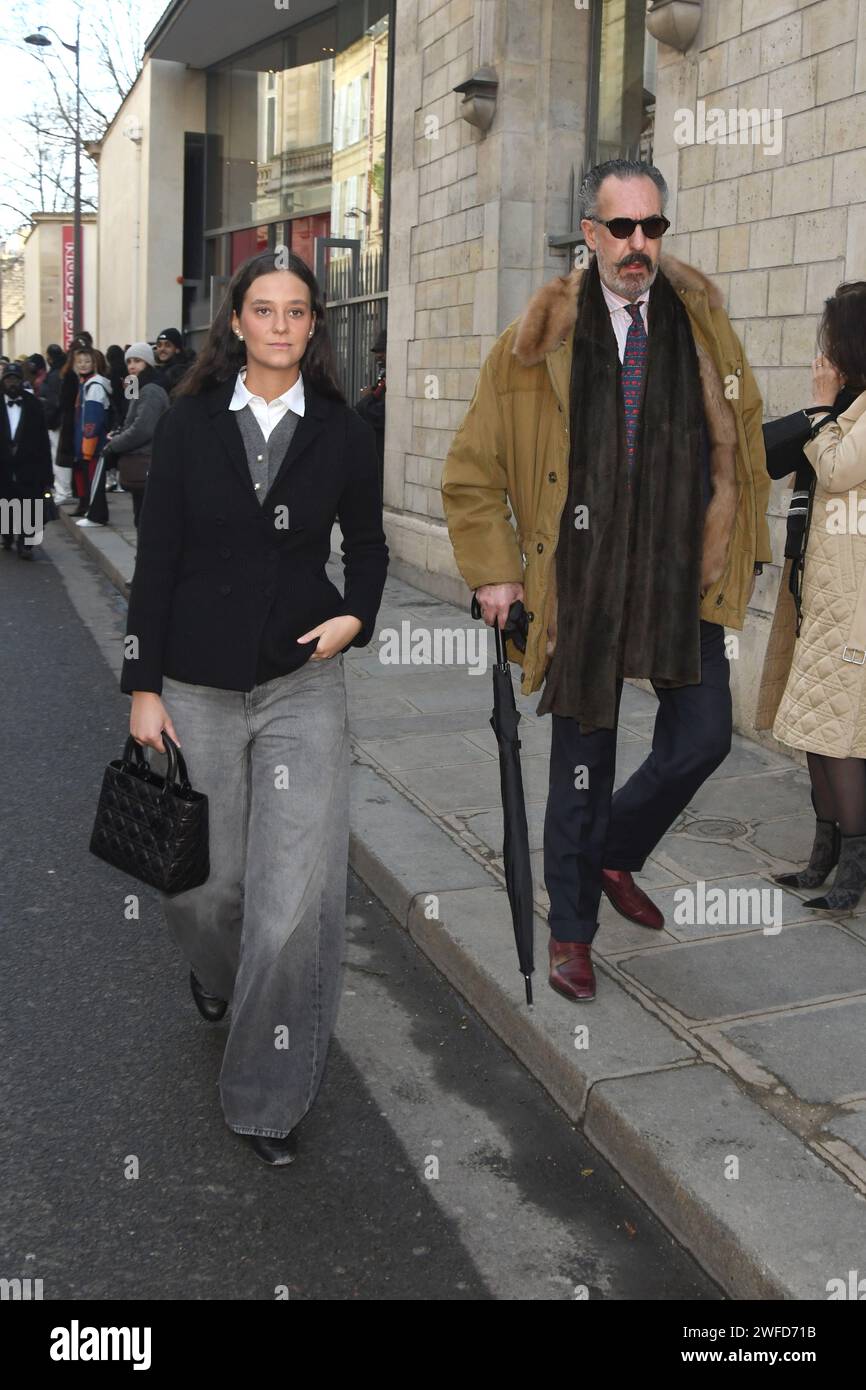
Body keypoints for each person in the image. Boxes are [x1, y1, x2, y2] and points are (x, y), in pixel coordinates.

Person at [442, 158, 770, 1003]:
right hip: (577, 578)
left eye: (652, 228)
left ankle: (616, 849)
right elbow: (473, 474)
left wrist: (745, 546)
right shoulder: (535, 342)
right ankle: (573, 931)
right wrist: (498, 576)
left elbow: (747, 442)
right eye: (621, 228)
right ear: (589, 234)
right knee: (581, 765)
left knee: (704, 739)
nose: (638, 245)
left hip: (675, 574)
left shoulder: (702, 328)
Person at [121, 249, 388, 1164]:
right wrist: (142, 686)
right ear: (235, 321)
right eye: (263, 309)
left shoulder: (345, 433)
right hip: (193, 687)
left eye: (297, 311)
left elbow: (372, 546)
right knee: (202, 892)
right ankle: (217, 977)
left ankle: (266, 1098)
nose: (280, 324)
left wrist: (357, 615)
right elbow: (155, 561)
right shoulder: (191, 424)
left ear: (314, 327)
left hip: (301, 684)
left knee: (291, 905)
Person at [771, 283, 866, 912]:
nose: (824, 347)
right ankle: (824, 853)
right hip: (818, 589)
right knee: (812, 726)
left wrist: (818, 406)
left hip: (852, 598)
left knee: (838, 733)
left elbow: (837, 470)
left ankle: (855, 868)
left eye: (832, 334)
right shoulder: (850, 403)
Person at [98, 343, 168, 528]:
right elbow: (129, 416)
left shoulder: (151, 389)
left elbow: (142, 429)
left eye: (137, 361)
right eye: (129, 361)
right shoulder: (137, 385)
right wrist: (119, 431)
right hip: (142, 460)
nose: (132, 366)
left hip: (148, 460)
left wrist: (115, 444)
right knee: (141, 517)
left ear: (148, 363)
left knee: (147, 520)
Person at [0, 361, 53, 559]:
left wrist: (47, 476)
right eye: (8, 379)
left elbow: (43, 441)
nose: (12, 383)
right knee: (5, 501)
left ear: (21, 381)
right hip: (3, 465)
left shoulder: (33, 404)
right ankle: (7, 534)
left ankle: (26, 542)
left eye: (15, 379)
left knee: (29, 504)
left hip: (29, 464)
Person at [71, 346, 112, 526]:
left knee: (95, 480)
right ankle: (91, 511)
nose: (83, 365)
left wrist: (87, 444)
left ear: (94, 363)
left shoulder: (94, 386)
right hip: (87, 442)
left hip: (93, 443)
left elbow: (93, 418)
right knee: (90, 478)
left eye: (87, 361)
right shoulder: (85, 384)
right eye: (79, 362)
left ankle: (96, 516)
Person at [355, 328, 386, 495]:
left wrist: (367, 399)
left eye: (382, 351)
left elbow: (380, 414)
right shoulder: (383, 378)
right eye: (376, 352)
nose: (378, 356)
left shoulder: (392, 379)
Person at [153, 327, 193, 394]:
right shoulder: (158, 369)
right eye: (159, 345)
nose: (162, 349)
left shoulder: (181, 372)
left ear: (177, 349)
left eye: (167, 345)